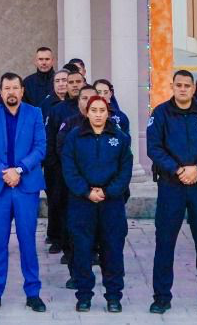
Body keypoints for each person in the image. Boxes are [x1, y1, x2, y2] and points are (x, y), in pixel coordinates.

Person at [145, 69, 197, 315]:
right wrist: (178, 169)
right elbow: (154, 147)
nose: (182, 89)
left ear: (193, 88)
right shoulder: (161, 113)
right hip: (172, 186)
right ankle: (161, 297)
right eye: (178, 85)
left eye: (186, 86)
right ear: (172, 87)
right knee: (165, 242)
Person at [0, 72, 46, 313]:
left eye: (15, 88)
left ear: (22, 91)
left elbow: (40, 147)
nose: (11, 92)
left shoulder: (35, 113)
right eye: (7, 88)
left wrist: (19, 169)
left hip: (26, 187)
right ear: (1, 92)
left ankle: (33, 293)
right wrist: (4, 171)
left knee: (28, 242)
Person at [60, 93, 132, 313]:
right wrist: (86, 191)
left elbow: (125, 170)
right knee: (82, 250)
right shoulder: (74, 137)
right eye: (94, 110)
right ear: (87, 113)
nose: (98, 115)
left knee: (113, 250)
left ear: (108, 113)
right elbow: (69, 168)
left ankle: (113, 296)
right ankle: (84, 295)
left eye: (102, 111)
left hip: (111, 203)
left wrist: (109, 191)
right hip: (82, 202)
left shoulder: (119, 137)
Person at [42, 67, 81, 259]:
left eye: (77, 82)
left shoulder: (91, 108)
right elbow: (49, 140)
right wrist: (52, 166)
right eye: (69, 82)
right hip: (60, 169)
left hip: (85, 170)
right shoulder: (57, 110)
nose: (73, 85)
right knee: (60, 206)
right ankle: (62, 243)